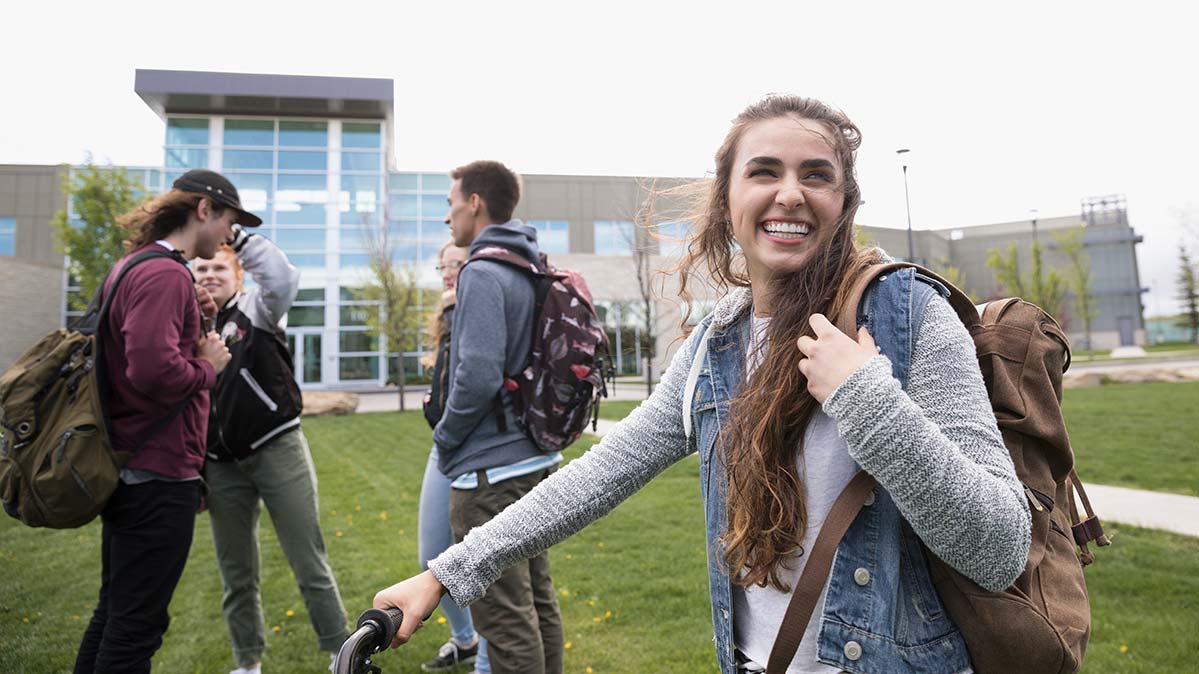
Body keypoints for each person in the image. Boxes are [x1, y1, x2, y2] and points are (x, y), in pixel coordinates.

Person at [372, 96, 1033, 674]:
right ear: (726, 199)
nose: (789, 193)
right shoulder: (717, 345)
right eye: (764, 171)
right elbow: (600, 475)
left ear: (844, 202)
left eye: (816, 175)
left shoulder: (911, 315)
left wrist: (867, 399)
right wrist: (446, 573)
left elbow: (1000, 548)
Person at [74, 169, 249, 674]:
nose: (228, 237)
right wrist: (208, 367)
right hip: (156, 472)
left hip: (132, 464)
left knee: (116, 614)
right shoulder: (164, 273)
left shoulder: (136, 266)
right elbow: (151, 370)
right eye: (228, 222)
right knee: (135, 630)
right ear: (203, 210)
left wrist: (202, 320)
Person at [426, 160, 565, 674]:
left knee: (505, 621)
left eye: (451, 202)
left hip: (489, 476)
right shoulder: (526, 263)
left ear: (475, 202)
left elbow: (478, 375)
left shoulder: (482, 272)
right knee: (537, 601)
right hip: (531, 460)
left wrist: (446, 436)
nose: (449, 217)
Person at [193, 228, 348, 674]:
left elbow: (281, 278)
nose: (209, 275)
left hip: (276, 448)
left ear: (238, 274)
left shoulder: (257, 310)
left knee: (308, 561)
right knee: (236, 573)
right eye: (201, 268)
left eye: (219, 267)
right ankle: (247, 662)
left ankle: (341, 653)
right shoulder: (191, 325)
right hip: (221, 465)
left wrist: (234, 236)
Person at [417, 240, 491, 674]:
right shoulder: (447, 312)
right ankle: (465, 640)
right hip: (445, 447)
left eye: (456, 264)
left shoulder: (478, 307)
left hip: (478, 450)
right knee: (432, 556)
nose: (448, 272)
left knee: (483, 560)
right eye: (443, 265)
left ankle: (485, 658)